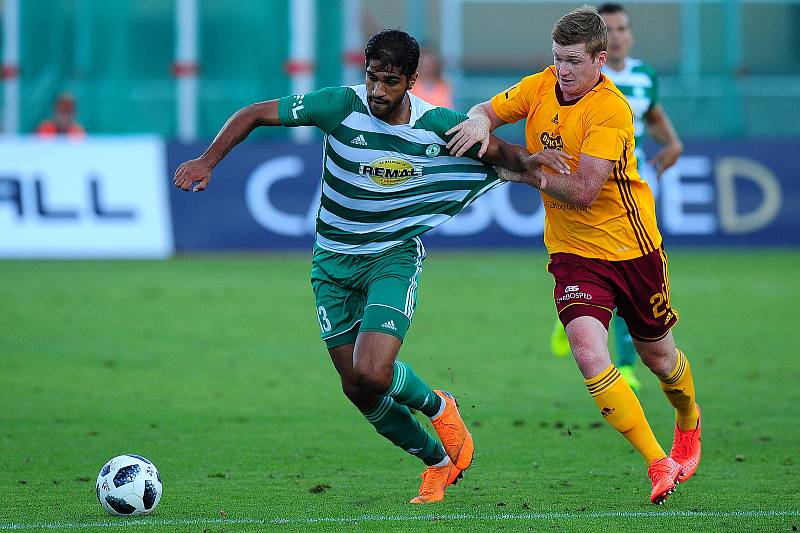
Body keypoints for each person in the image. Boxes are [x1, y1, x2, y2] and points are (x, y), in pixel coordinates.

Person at [174, 29, 537, 504]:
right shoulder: (339, 105)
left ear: (410, 81)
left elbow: (507, 158)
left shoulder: (438, 125)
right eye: (371, 77)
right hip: (331, 261)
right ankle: (437, 464)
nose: (377, 90)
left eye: (389, 81)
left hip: (392, 256)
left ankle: (438, 405)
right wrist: (207, 160)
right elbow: (253, 114)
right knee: (357, 388)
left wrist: (546, 167)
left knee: (373, 371)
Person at [445, 6, 700, 505]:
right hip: (573, 253)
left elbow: (583, 190)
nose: (562, 69)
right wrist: (477, 123)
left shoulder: (612, 109)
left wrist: (524, 168)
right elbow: (488, 109)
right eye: (557, 58)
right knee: (588, 351)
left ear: (599, 61)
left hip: (632, 248)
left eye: (574, 61)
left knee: (659, 357)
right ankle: (657, 463)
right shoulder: (539, 86)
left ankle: (688, 419)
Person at [549, 2, 685, 393]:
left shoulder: (644, 76)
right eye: (610, 29)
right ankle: (578, 325)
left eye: (623, 28)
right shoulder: (585, 77)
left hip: (632, 184)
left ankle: (623, 360)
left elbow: (653, 114)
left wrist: (673, 142)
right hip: (591, 185)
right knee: (594, 265)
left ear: (630, 34)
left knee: (628, 271)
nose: (619, 34)